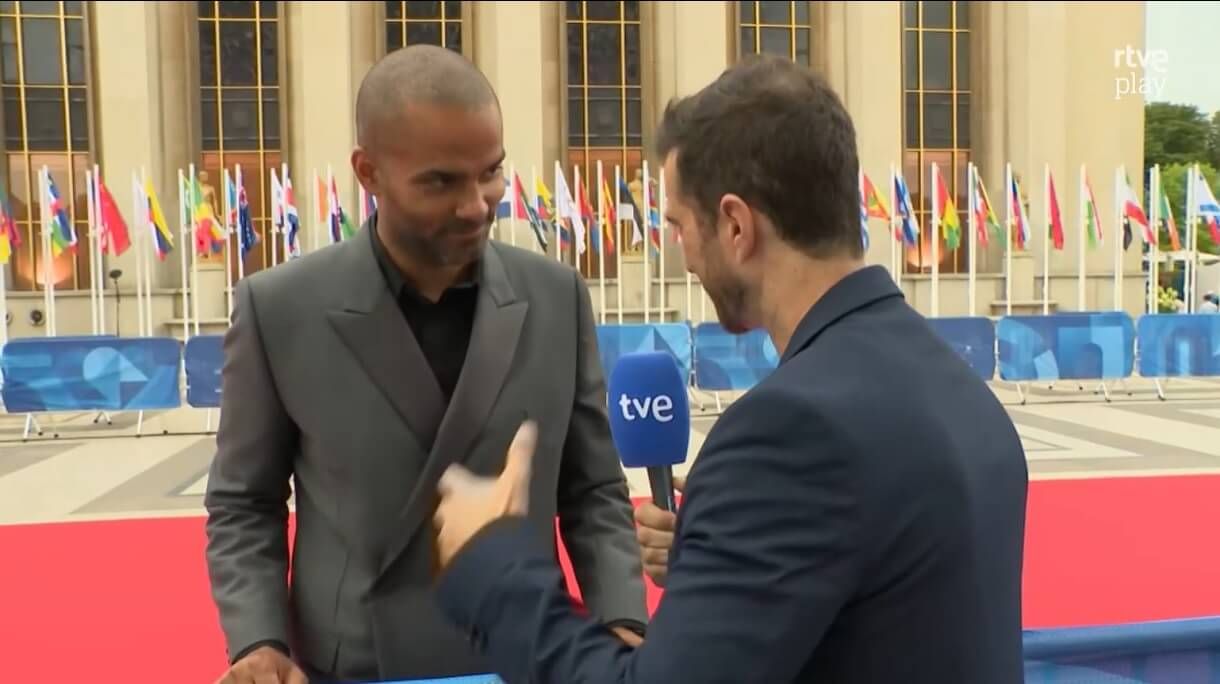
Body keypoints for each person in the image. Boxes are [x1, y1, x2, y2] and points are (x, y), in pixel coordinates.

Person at [428, 54, 1029, 683]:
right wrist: (722, 557)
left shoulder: (789, 430)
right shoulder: (957, 386)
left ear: (737, 225)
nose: (681, 252)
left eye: (680, 225)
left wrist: (491, 565)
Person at [204, 44, 648, 684]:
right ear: (368, 172)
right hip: (352, 665)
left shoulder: (556, 296)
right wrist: (258, 641)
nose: (476, 204)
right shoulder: (280, 308)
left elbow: (593, 490)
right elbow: (245, 503)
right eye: (441, 181)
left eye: (490, 172)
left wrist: (621, 620)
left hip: (526, 656)